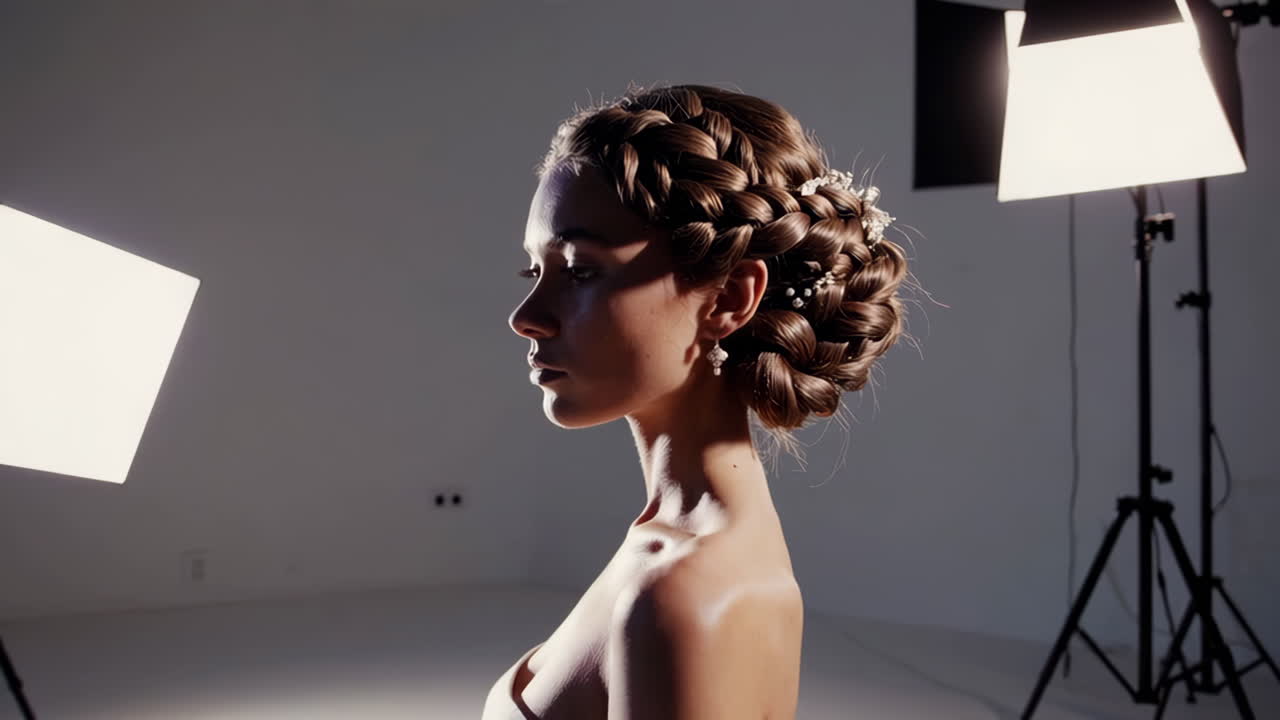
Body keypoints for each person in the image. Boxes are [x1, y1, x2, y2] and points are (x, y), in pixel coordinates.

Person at [484, 82, 911, 720]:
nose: (526, 316)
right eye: (533, 270)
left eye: (580, 270)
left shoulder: (682, 594)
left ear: (729, 299)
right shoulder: (669, 547)